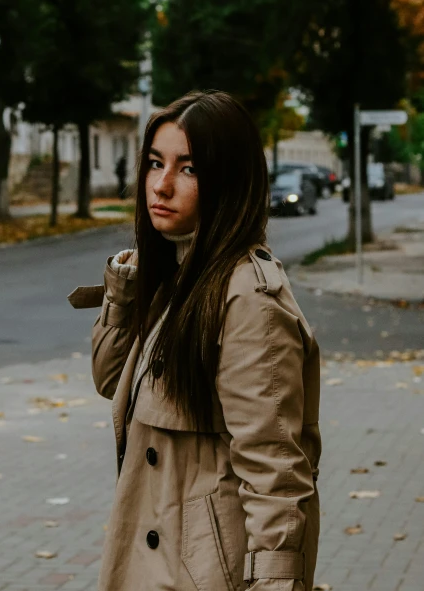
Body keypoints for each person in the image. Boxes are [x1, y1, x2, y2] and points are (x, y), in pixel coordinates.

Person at [68, 90, 321, 591]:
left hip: (204, 571)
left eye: (188, 169)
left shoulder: (248, 299)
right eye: (155, 163)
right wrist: (126, 291)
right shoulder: (178, 277)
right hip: (155, 552)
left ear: (227, 181)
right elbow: (110, 379)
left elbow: (276, 476)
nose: (161, 186)